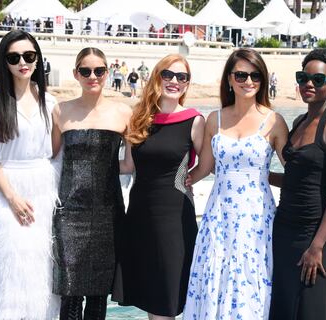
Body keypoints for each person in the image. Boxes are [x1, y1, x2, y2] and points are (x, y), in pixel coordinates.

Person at [182, 48, 288, 320]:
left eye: (255, 75)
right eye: (241, 74)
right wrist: (176, 178)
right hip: (218, 217)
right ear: (229, 79)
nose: (248, 81)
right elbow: (204, 167)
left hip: (257, 219)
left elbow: (295, 172)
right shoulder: (213, 119)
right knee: (214, 279)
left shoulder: (274, 121)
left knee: (252, 282)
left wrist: (324, 194)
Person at [0, 29, 59, 320]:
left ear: (37, 59)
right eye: (14, 57)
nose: (22, 62)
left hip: (43, 191)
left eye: (29, 55)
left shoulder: (50, 101)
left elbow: (56, 153)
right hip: (7, 190)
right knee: (8, 270)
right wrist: (12, 198)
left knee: (41, 272)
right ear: (4, 62)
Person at [112, 54, 205, 320]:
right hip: (140, 216)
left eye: (182, 77)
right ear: (157, 77)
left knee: (167, 299)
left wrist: (192, 178)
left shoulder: (194, 120)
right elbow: (128, 165)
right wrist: (90, 162)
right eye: (168, 75)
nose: (174, 81)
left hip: (174, 219)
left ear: (187, 84)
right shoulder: (139, 117)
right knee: (153, 298)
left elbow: (209, 162)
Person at [269, 49, 326, 320]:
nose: (308, 84)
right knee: (283, 302)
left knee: (312, 306)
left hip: (318, 232)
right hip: (285, 228)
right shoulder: (298, 122)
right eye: (303, 77)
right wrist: (257, 177)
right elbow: (296, 180)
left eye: (317, 79)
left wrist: (316, 246)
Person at [51, 47, 131, 319]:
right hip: (69, 213)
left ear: (108, 73)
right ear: (76, 74)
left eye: (99, 70)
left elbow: (131, 164)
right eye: (85, 71)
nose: (92, 76)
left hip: (107, 213)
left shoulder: (123, 113)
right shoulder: (60, 111)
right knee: (70, 293)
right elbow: (50, 158)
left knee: (98, 296)